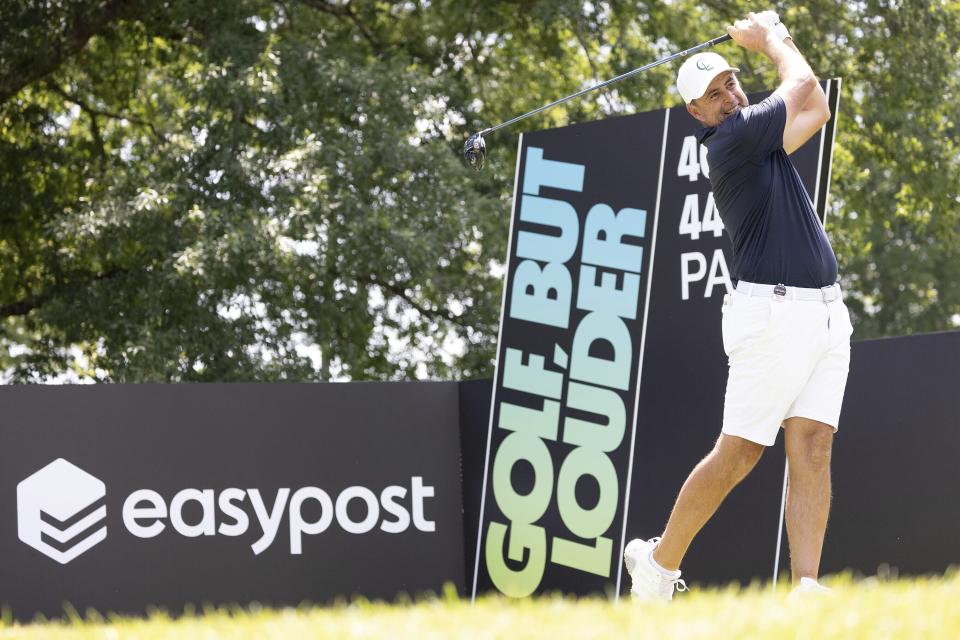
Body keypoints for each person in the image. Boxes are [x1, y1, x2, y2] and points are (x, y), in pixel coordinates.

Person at [624, 11, 853, 601]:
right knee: (741, 451)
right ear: (695, 114)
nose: (728, 95)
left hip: (824, 312)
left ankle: (806, 585)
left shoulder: (759, 139)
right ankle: (657, 565)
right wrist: (770, 37)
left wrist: (774, 42)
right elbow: (799, 83)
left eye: (730, 82)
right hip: (771, 315)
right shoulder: (730, 139)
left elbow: (817, 107)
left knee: (813, 445)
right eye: (712, 93)